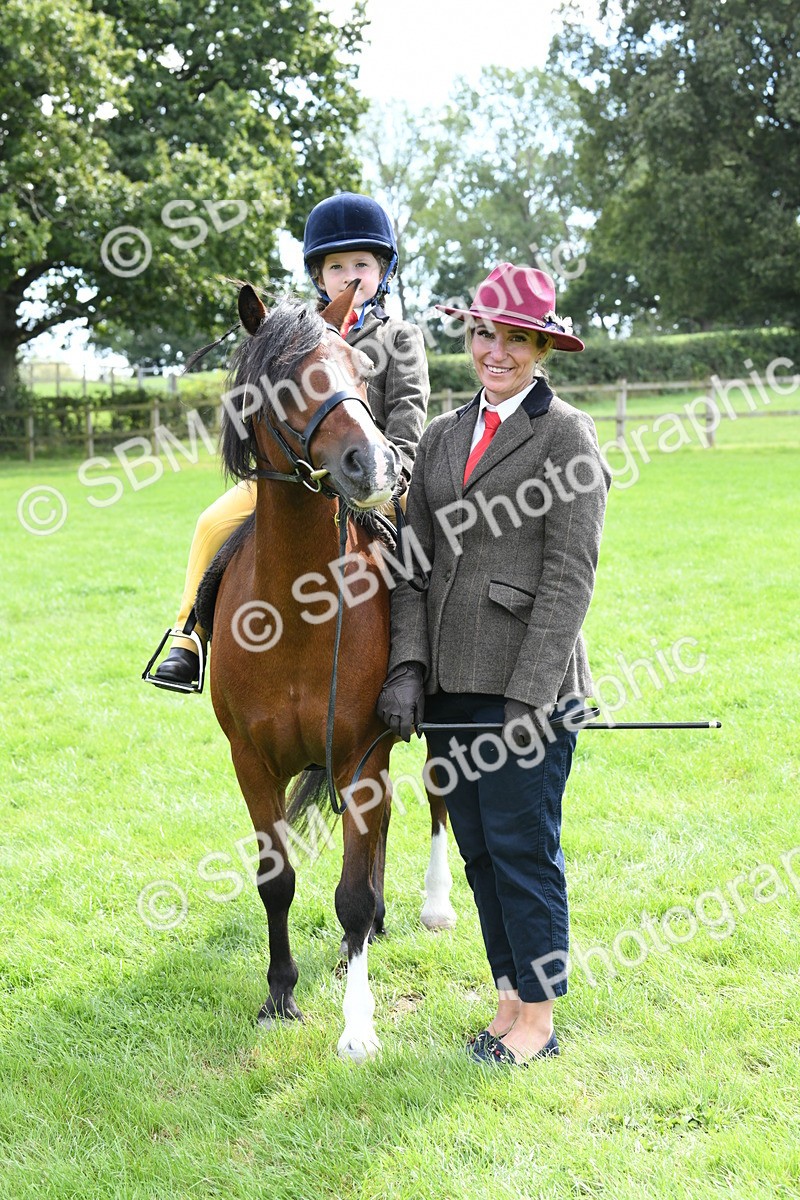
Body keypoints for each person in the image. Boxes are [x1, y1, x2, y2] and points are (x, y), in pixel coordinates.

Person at [376, 263, 610, 1067]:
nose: (496, 350)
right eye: (484, 332)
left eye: (515, 337)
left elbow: (569, 576)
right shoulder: (440, 435)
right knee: (475, 847)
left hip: (524, 695)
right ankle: (508, 998)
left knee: (522, 846)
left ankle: (538, 1024)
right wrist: (407, 667)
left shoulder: (566, 436)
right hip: (447, 689)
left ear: (541, 346)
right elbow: (411, 563)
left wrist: (530, 698)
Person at [147, 192, 429, 691]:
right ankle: (187, 637)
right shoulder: (292, 337)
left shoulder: (399, 337)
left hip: (378, 474)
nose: (351, 276)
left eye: (362, 263)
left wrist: (396, 470)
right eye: (337, 266)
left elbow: (408, 415)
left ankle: (423, 660)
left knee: (422, 546)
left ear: (383, 270)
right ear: (319, 277)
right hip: (300, 476)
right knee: (212, 521)